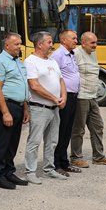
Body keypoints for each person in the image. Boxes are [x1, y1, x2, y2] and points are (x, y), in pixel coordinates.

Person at [24, 32, 67, 183]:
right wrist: (54, 98)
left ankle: (49, 168)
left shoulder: (52, 61)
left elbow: (61, 80)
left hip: (54, 108)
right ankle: (30, 172)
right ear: (40, 44)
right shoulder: (31, 61)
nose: (52, 44)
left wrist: (63, 97)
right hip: (39, 107)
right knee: (34, 141)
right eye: (49, 42)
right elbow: (34, 85)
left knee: (52, 141)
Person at [72, 32, 106, 167]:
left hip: (93, 97)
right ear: (83, 42)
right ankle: (75, 157)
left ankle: (98, 156)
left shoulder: (93, 53)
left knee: (98, 126)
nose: (95, 46)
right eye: (92, 43)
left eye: (96, 42)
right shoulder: (76, 54)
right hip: (81, 97)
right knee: (78, 129)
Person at [0, 33, 30, 190]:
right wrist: (5, 112)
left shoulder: (18, 61)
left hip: (19, 105)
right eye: (16, 44)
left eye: (20, 44)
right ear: (7, 45)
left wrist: (25, 108)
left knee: (13, 142)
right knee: (3, 141)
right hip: (8, 105)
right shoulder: (0, 62)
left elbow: (23, 86)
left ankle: (9, 171)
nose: (19, 46)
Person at [51, 30, 83, 174]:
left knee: (67, 131)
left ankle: (64, 162)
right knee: (61, 130)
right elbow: (55, 77)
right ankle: (56, 163)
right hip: (64, 97)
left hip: (73, 96)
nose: (76, 41)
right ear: (63, 40)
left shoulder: (72, 54)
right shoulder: (58, 55)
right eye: (73, 38)